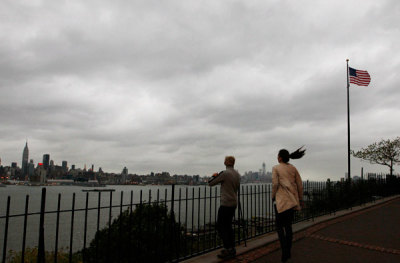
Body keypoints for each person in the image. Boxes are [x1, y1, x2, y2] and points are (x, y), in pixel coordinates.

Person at [272, 147, 305, 263]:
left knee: (279, 227)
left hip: (281, 202)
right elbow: (300, 185)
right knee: (288, 226)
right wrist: (300, 199)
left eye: (277, 155)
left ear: (280, 157)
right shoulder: (293, 168)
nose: (277, 157)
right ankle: (288, 250)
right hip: (292, 202)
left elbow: (275, 184)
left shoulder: (276, 168)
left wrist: (272, 196)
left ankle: (285, 251)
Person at [208, 156, 241, 259]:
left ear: (226, 162)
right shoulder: (237, 174)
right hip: (233, 203)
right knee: (228, 226)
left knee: (221, 226)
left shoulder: (225, 173)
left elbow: (211, 183)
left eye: (225, 160)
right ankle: (232, 248)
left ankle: (227, 248)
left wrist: (214, 176)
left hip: (226, 203)